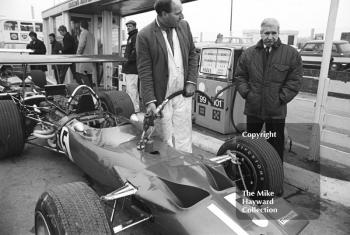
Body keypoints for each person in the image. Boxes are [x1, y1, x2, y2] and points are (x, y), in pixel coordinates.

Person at [235, 18, 302, 162]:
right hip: (254, 109)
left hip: (276, 111)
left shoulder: (290, 54)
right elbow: (240, 76)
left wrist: (281, 98)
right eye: (266, 33)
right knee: (250, 145)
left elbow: (295, 81)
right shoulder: (249, 54)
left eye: (273, 33)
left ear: (279, 33)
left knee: (276, 147)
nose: (270, 37)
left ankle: (274, 177)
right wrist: (248, 94)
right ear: (261, 33)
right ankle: (249, 173)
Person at [136, 0, 198, 153]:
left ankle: (185, 167)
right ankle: (167, 171)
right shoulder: (144, 35)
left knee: (184, 135)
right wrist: (150, 101)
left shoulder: (184, 26)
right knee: (165, 138)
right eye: (177, 13)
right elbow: (145, 71)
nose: (181, 16)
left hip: (182, 94)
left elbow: (192, 55)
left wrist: (191, 81)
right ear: (163, 14)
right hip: (161, 97)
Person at [122, 20, 140, 112]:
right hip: (130, 68)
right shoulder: (132, 37)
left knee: (131, 89)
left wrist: (127, 60)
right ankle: (135, 108)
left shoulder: (135, 37)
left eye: (130, 26)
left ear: (134, 27)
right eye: (127, 26)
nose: (128, 28)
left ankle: (134, 109)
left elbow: (135, 51)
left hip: (132, 68)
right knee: (131, 89)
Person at [76, 21, 95, 87]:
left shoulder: (83, 33)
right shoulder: (91, 34)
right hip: (90, 58)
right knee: (89, 75)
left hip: (84, 57)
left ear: (81, 26)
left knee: (82, 73)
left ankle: (88, 90)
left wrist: (78, 54)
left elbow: (81, 45)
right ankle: (91, 91)